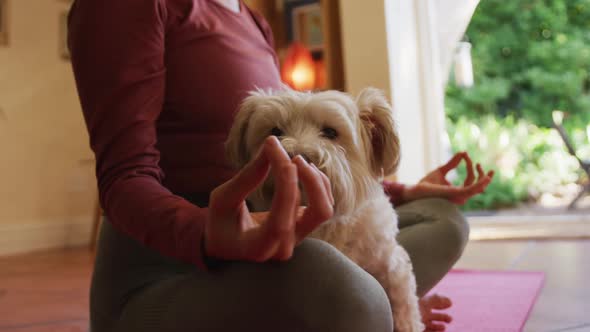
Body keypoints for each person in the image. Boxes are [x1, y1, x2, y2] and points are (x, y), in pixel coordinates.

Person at [67, 0, 493, 331]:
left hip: (272, 239)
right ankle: (365, 304)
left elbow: (299, 160)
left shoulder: (252, 20)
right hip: (172, 274)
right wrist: (210, 232)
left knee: (445, 221)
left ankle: (367, 305)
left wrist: (398, 191)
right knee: (336, 284)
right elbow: (123, 181)